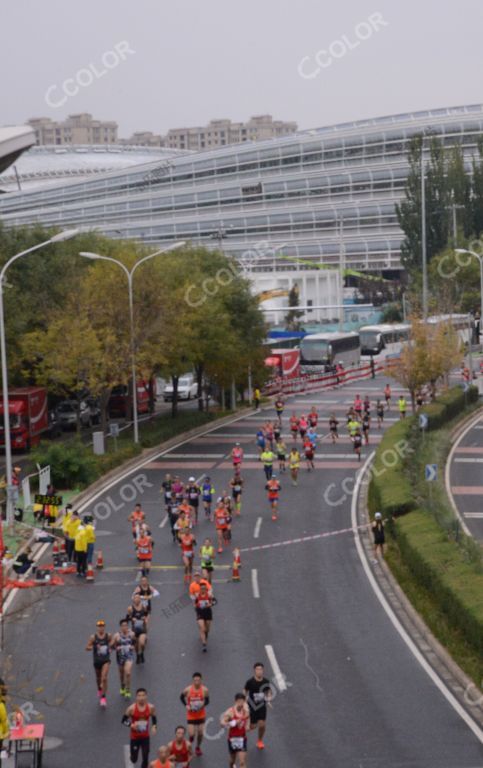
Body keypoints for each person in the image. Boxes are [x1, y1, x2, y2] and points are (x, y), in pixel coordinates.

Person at [123, 688, 157, 768]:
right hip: (135, 737)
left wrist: (154, 726)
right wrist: (131, 725)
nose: (141, 697)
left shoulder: (151, 707)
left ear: (146, 696)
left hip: (145, 737)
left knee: (145, 757)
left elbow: (154, 718)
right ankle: (132, 756)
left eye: (143, 695)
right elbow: (123, 720)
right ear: (136, 697)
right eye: (139, 696)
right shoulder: (131, 709)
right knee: (134, 759)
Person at [180, 673, 210, 756]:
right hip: (191, 715)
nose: (197, 682)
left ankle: (197, 747)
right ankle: (190, 740)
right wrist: (186, 705)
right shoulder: (188, 689)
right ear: (193, 681)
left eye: (198, 680)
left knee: (200, 733)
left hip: (201, 715)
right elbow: (181, 697)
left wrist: (202, 705)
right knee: (192, 734)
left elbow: (207, 701)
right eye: (195, 680)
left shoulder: (204, 690)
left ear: (201, 680)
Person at [244, 663, 272, 750]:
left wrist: (269, 699)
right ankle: (241, 731)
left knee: (262, 725)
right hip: (252, 706)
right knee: (252, 726)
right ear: (254, 671)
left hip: (261, 706)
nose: (259, 671)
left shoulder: (266, 681)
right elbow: (245, 690)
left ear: (263, 671)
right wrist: (244, 701)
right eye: (257, 669)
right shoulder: (250, 682)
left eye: (261, 669)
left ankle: (259, 741)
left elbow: (269, 691)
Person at [86, 620, 111, 707]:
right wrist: (94, 646)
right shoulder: (93, 637)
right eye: (99, 626)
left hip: (106, 660)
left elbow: (112, 643)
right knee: (98, 678)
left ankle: (103, 697)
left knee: (104, 678)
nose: (101, 628)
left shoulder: (108, 636)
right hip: (97, 661)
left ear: (104, 627)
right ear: (97, 628)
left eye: (102, 626)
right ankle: (99, 689)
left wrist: (110, 647)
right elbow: (87, 647)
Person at [221, 693, 250, 768]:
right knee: (232, 760)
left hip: (242, 738)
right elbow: (222, 723)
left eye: (242, 701)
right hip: (232, 739)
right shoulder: (230, 712)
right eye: (239, 701)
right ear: (235, 701)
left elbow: (248, 717)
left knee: (242, 762)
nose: (240, 703)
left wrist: (247, 725)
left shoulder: (245, 710)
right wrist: (233, 723)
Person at [111, 619, 136, 698]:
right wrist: (116, 648)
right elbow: (111, 646)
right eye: (123, 626)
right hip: (120, 657)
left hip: (129, 656)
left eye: (126, 625)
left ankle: (128, 690)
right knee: (122, 675)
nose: (124, 627)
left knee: (128, 673)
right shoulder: (116, 636)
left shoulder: (132, 634)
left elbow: (135, 642)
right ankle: (122, 686)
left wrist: (133, 647)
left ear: (127, 626)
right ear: (120, 627)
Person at [127, 594, 149, 664]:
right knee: (136, 646)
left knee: (142, 643)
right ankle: (138, 655)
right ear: (133, 600)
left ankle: (142, 653)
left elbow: (146, 614)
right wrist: (132, 619)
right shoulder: (130, 608)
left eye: (138, 598)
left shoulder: (143, 606)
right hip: (135, 629)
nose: (136, 599)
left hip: (142, 629)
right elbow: (127, 618)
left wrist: (145, 618)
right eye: (135, 598)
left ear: (140, 599)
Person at [194, 582, 214, 652]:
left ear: (206, 589)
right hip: (200, 613)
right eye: (202, 588)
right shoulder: (197, 596)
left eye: (204, 588)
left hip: (208, 613)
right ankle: (204, 644)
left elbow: (215, 602)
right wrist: (197, 607)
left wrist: (210, 604)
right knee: (202, 628)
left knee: (207, 629)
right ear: (200, 589)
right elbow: (195, 604)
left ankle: (206, 635)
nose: (203, 590)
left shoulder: (209, 595)